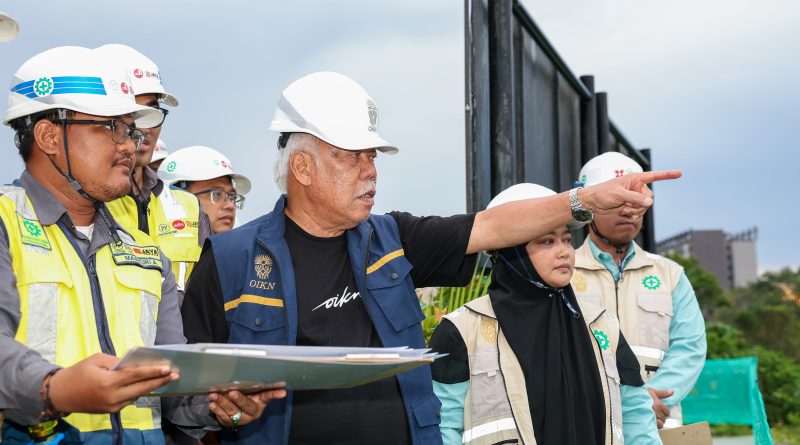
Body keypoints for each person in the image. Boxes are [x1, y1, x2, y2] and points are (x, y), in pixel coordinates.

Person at [180, 71, 680, 444]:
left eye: (372, 156)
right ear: (303, 168)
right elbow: (186, 394)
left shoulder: (394, 239)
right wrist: (222, 409)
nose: (370, 171)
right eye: (352, 157)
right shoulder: (229, 261)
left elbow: (493, 225)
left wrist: (584, 202)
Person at [0, 46, 283, 445]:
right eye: (110, 127)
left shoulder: (146, 254)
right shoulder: (6, 222)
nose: (129, 146)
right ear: (49, 136)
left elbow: (172, 384)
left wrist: (220, 404)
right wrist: (55, 388)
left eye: (130, 130)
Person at [430, 183, 660, 445]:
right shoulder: (461, 331)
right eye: (547, 241)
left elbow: (637, 420)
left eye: (567, 240)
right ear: (509, 248)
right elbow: (442, 428)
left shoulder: (601, 326)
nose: (564, 252)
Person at [572, 151, 706, 429]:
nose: (628, 211)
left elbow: (690, 347)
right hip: (590, 420)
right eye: (617, 201)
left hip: (658, 422)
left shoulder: (670, 275)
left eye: (636, 201)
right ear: (588, 206)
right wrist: (630, 402)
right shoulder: (564, 274)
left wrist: (648, 401)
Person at [98, 44, 211, 297]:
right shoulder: (82, 204)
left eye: (153, 111)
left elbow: (206, 305)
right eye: (133, 113)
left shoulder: (189, 208)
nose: (145, 128)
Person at [158, 146, 251, 234]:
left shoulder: (241, 243)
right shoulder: (152, 243)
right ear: (176, 198)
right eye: (216, 194)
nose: (230, 206)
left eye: (232, 197)